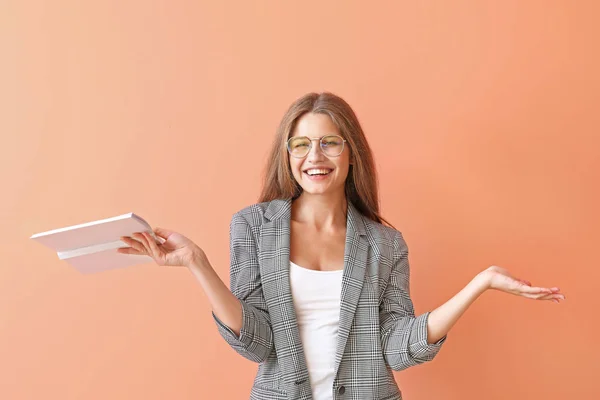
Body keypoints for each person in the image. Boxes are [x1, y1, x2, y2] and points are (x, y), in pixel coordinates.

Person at [118, 92, 565, 400]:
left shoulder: (385, 244)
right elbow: (256, 342)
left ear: (351, 153)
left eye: (329, 143)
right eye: (302, 144)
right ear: (287, 156)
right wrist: (198, 263)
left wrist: (479, 284)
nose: (315, 157)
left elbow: (396, 348)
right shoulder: (253, 227)